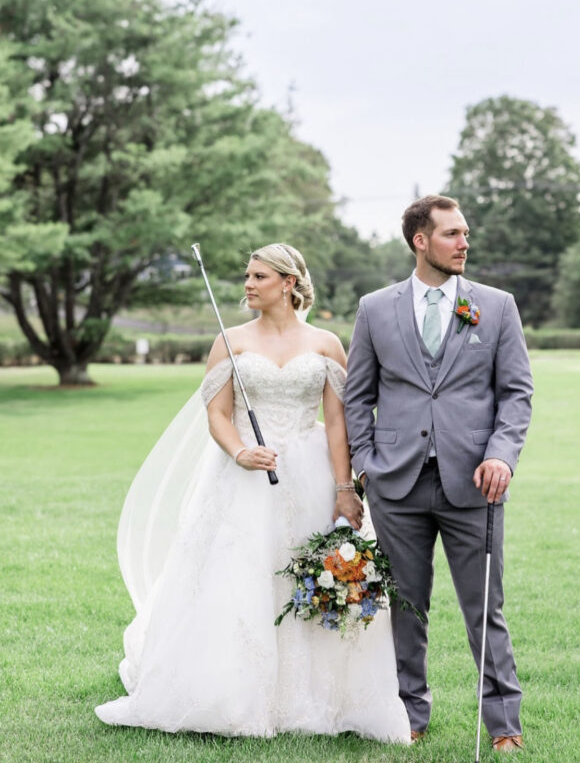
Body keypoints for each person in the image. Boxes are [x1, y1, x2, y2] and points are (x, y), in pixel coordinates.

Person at [95, 242, 411, 742]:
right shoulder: (230, 341)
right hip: (242, 478)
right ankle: (233, 693)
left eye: (258, 276)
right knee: (237, 580)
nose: (247, 284)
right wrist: (241, 451)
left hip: (309, 473)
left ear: (288, 283)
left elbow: (337, 423)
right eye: (247, 275)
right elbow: (217, 413)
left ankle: (319, 697)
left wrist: (344, 487)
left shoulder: (327, 343)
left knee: (312, 573)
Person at [345, 196, 533, 753]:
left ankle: (504, 724)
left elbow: (516, 393)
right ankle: (409, 713)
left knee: (484, 609)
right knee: (405, 605)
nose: (464, 243)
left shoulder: (496, 307)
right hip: (396, 483)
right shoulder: (375, 308)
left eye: (465, 233)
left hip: (475, 480)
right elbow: (358, 396)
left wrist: (500, 454)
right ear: (419, 241)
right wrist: (365, 463)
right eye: (451, 234)